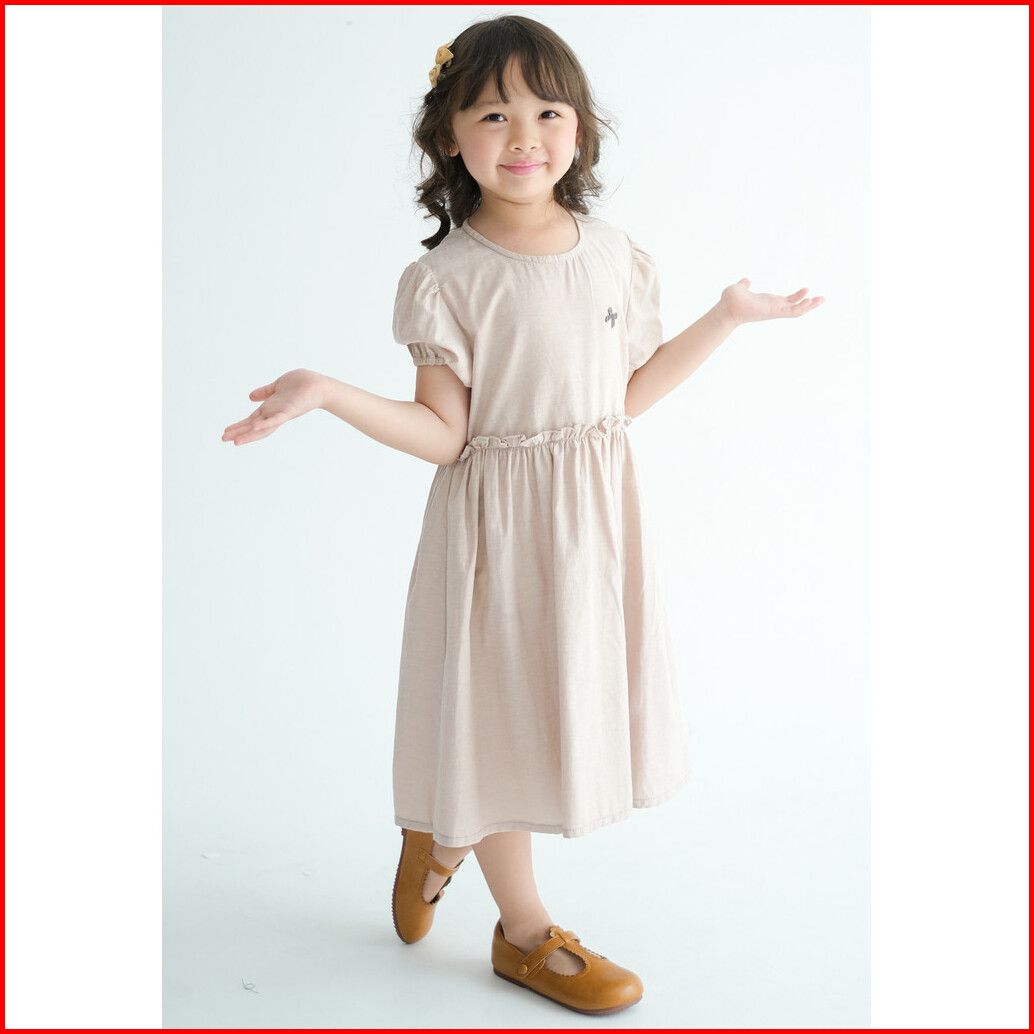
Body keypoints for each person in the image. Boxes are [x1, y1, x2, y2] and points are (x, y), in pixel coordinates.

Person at [222, 14, 822, 1016]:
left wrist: (724, 318)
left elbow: (622, 398)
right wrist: (327, 392)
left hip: (593, 525)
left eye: (547, 112)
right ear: (448, 135)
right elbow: (443, 435)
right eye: (492, 115)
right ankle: (525, 931)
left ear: (580, 128)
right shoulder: (445, 279)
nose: (523, 136)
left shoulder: (615, 255)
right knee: (500, 718)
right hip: (496, 535)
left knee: (559, 706)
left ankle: (440, 832)